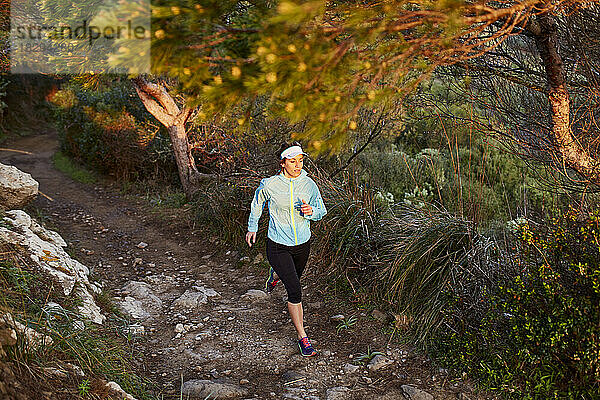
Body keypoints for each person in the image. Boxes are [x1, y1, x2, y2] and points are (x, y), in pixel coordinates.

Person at [245, 142, 327, 357]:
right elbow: (257, 204)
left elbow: (321, 210)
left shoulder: (309, 185)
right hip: (278, 245)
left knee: (294, 281)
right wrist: (252, 228)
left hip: (302, 245)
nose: (298, 165)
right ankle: (303, 338)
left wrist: (311, 211)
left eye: (300, 160)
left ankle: (276, 274)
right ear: (282, 163)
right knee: (295, 291)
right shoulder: (270, 185)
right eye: (292, 161)